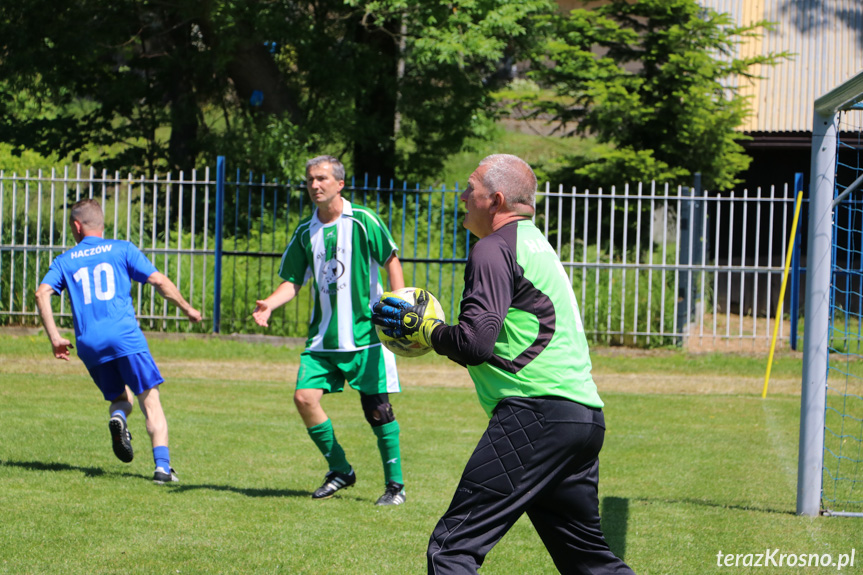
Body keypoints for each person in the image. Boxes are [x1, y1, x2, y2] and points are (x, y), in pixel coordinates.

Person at [373, 154, 636, 574]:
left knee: (452, 550)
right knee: (589, 563)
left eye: (469, 187)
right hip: (583, 418)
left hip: (535, 416)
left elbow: (476, 343)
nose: (462, 196)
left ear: (494, 200)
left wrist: (427, 330)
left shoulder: (493, 248)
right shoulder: (537, 244)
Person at [253, 155, 408, 506]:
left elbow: (390, 260)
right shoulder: (305, 232)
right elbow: (292, 281)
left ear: (340, 184)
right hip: (323, 340)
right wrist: (269, 304)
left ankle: (395, 486)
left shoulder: (364, 221)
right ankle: (340, 469)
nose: (314, 185)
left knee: (378, 411)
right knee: (304, 398)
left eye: (321, 178)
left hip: (367, 336)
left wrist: (398, 308)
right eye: (310, 179)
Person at [35, 198, 202, 484]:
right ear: (102, 224)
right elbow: (159, 281)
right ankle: (163, 468)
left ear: (76, 226)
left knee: (120, 399)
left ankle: (120, 420)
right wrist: (187, 308)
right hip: (125, 338)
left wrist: (54, 338)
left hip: (89, 344)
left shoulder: (64, 260)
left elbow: (41, 294)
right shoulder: (122, 248)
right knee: (150, 399)